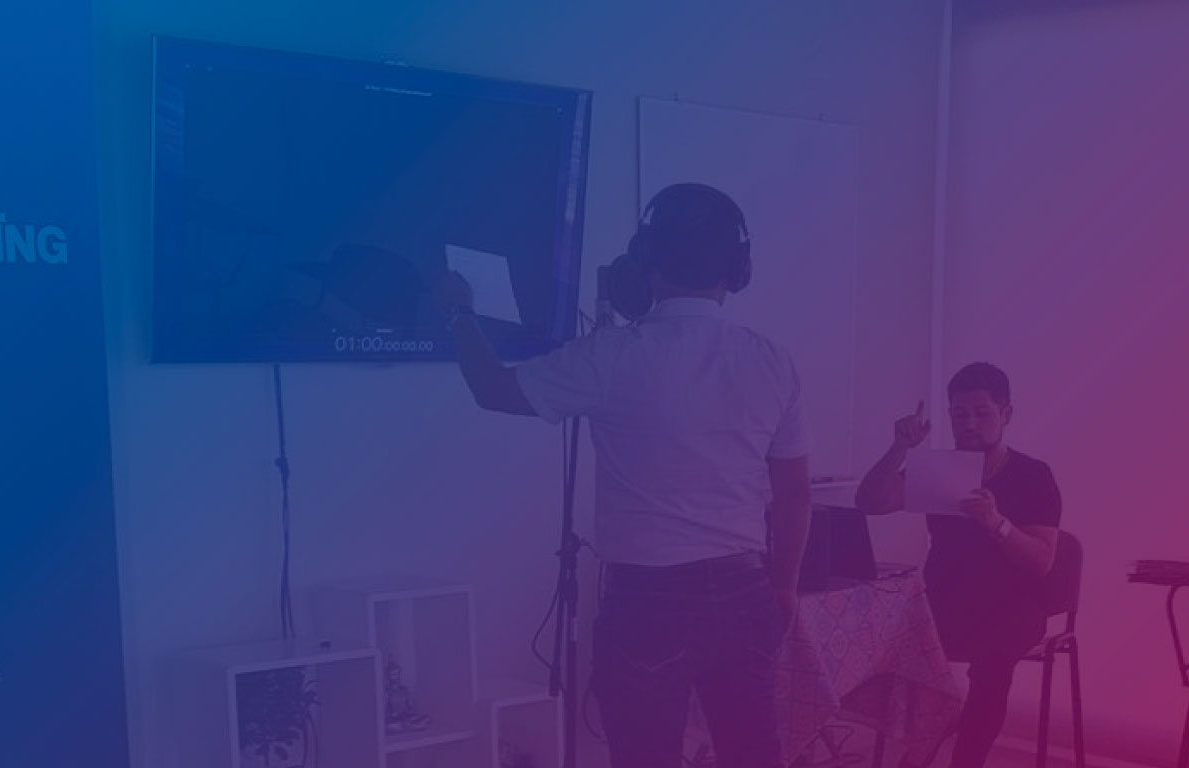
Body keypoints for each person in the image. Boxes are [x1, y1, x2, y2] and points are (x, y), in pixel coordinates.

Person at [435, 183, 812, 768]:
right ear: (737, 270)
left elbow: (492, 387)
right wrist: (784, 587)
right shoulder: (772, 361)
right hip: (745, 591)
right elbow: (793, 494)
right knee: (754, 757)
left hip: (648, 599)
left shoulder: (611, 354)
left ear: (645, 263)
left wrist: (460, 313)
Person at [854, 362, 1062, 768]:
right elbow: (870, 502)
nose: (969, 424)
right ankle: (926, 739)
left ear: (1006, 414)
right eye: (959, 414)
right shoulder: (937, 469)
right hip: (944, 599)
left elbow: (1041, 562)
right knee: (896, 642)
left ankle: (966, 760)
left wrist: (996, 524)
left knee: (994, 660)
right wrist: (899, 448)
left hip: (1013, 605)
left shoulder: (1034, 475)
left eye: (981, 413)